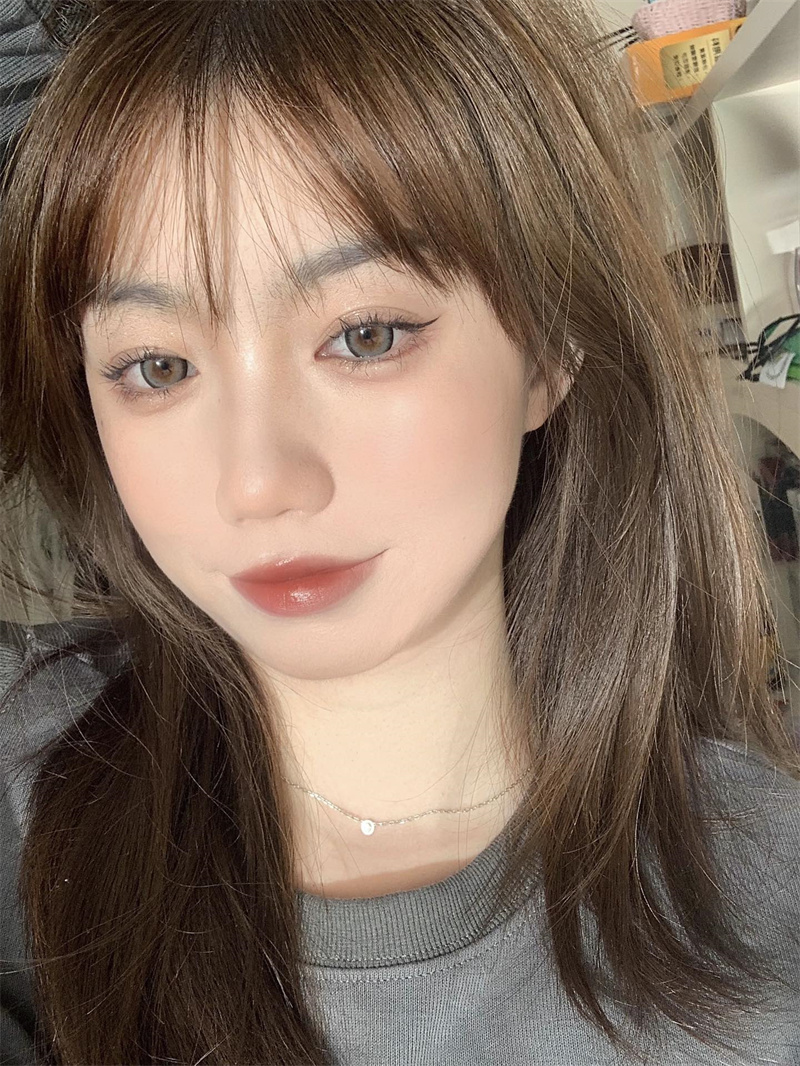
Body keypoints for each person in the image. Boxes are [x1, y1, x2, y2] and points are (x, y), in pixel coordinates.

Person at [0, 1, 798, 1064]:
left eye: (365, 336)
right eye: (159, 365)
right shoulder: (29, 791)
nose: (258, 483)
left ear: (547, 348)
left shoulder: (765, 919)